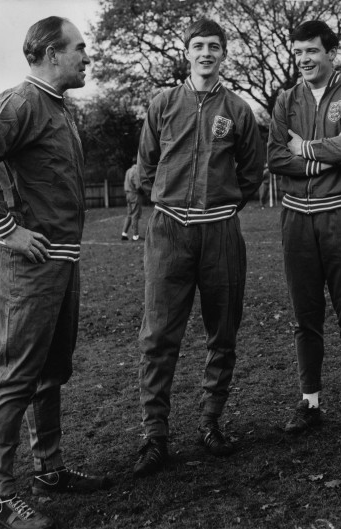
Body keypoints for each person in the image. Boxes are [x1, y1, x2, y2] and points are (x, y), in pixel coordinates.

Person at [0, 16, 110, 529]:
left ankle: (48, 468)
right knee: (16, 375)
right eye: (79, 49)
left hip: (60, 262)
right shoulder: (18, 102)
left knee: (53, 370)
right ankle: (2, 492)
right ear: (52, 54)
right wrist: (7, 228)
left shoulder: (59, 107)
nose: (85, 57)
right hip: (24, 264)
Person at [134, 19, 264, 478]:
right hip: (169, 232)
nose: (205, 53)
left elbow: (252, 172)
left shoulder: (239, 110)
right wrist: (169, 202)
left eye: (214, 46)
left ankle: (210, 421)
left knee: (222, 332)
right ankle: (155, 435)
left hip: (220, 233)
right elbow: (146, 165)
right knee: (157, 337)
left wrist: (221, 207)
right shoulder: (163, 103)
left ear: (224, 54)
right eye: (198, 46)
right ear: (185, 52)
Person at [268, 20, 341, 437]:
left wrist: (306, 149)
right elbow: (276, 156)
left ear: (331, 52)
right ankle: (310, 401)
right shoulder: (285, 99)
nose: (304, 60)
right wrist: (319, 160)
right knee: (304, 315)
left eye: (311, 51)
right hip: (296, 219)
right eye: (298, 53)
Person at [121, 159, 144, 241]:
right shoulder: (136, 171)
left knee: (129, 214)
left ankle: (124, 233)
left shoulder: (128, 171)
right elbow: (137, 186)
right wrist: (144, 192)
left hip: (127, 194)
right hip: (134, 195)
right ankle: (135, 235)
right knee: (135, 215)